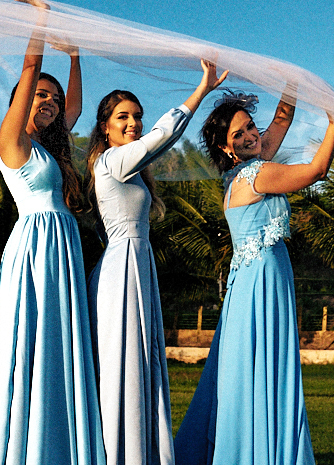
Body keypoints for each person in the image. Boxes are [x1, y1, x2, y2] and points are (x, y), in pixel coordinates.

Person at [174, 92, 334, 465]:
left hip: (260, 280)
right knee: (258, 370)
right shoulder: (256, 174)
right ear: (226, 147)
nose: (251, 135)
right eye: (239, 134)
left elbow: (281, 119)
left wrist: (292, 85)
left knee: (257, 369)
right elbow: (316, 172)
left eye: (251, 126)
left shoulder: (243, 172)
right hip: (260, 282)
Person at [0, 0, 106, 465]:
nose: (51, 102)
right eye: (40, 95)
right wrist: (40, 19)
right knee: (33, 335)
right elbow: (31, 66)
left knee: (60, 337)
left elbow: (73, 105)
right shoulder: (13, 142)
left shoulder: (52, 148)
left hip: (63, 246)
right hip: (34, 245)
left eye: (53, 98)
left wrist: (75, 56)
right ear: (21, 100)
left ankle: (57, 434)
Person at [86, 61, 228, 465]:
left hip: (136, 264)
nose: (133, 123)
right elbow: (164, 135)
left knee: (139, 363)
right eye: (123, 117)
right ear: (106, 127)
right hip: (123, 269)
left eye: (137, 117)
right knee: (123, 364)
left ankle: (141, 451)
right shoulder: (113, 161)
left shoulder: (127, 167)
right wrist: (201, 90)